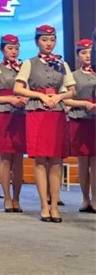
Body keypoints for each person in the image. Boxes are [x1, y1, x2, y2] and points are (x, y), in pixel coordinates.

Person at [13, 25, 76, 223]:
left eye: (52, 40)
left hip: (56, 113)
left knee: (56, 161)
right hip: (37, 112)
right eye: (44, 40)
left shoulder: (62, 63)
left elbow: (72, 90)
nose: (49, 43)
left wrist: (58, 97)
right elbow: (18, 88)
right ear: (37, 41)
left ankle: (55, 205)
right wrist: (40, 95)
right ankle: (43, 206)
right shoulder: (29, 63)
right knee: (40, 160)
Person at [0, 34, 27, 212]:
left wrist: (25, 98)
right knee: (5, 158)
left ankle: (17, 198)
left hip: (21, 115)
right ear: (2, 50)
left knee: (19, 159)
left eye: (16, 48)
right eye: (10, 48)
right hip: (3, 114)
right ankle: (7, 197)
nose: (13, 51)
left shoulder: (25, 68)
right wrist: (10, 99)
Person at [64, 39, 96, 213]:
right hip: (80, 119)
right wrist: (84, 103)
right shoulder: (73, 76)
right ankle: (85, 199)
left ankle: (95, 199)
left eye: (90, 52)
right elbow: (66, 99)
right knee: (83, 161)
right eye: (83, 53)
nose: (87, 56)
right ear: (77, 56)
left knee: (95, 161)